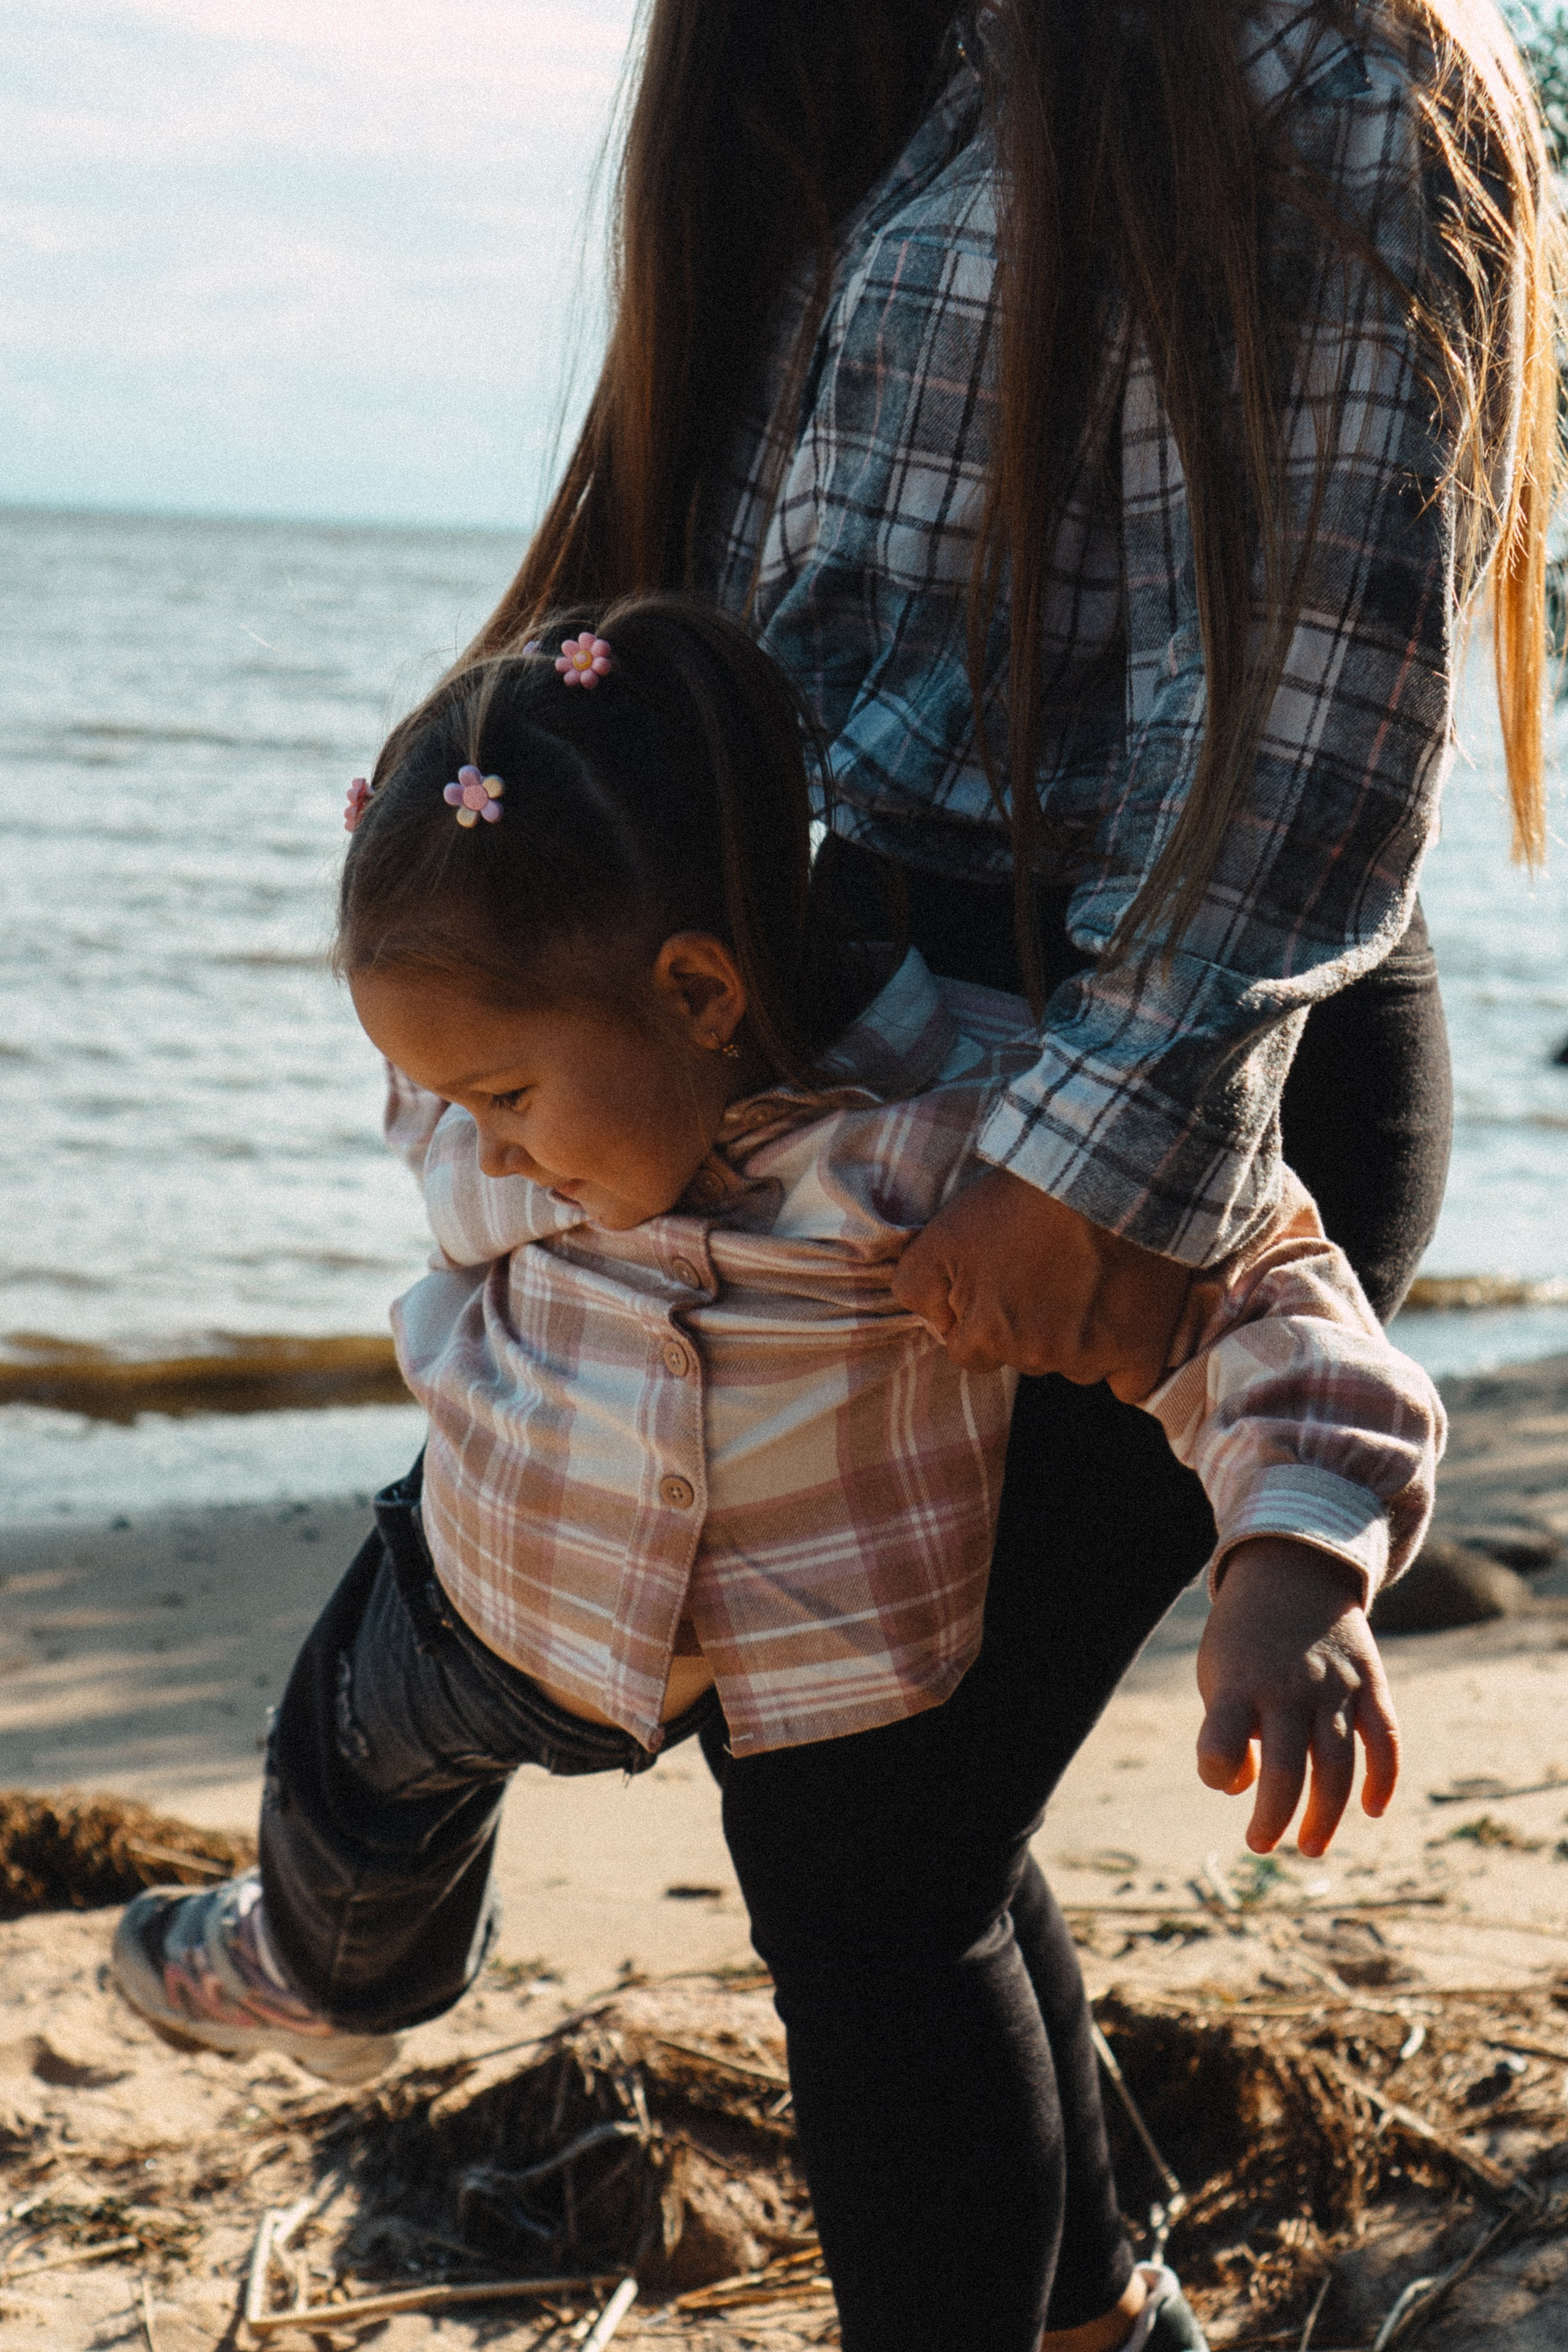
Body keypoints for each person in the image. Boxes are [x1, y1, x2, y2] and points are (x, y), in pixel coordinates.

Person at [447, 5, 1557, 2345]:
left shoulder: (1328, 63)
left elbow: (1311, 710)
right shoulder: (879, 53)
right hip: (886, 1073)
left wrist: (1105, 1151)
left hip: (1174, 1072)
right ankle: (1101, 2320)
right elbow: (748, 636)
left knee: (871, 1857)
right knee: (875, 1821)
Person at [115, 601, 1445, 2352]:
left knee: (915, 1901)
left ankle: (1097, 2321)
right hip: (482, 1591)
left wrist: (1293, 1564)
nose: (466, 1140)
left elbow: (1262, 1290)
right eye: (441, 1098)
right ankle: (327, 1969)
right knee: (345, 1774)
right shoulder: (521, 1061)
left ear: (698, 991)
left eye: (503, 1101)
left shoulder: (948, 1137)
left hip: (822, 1669)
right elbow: (473, 1058)